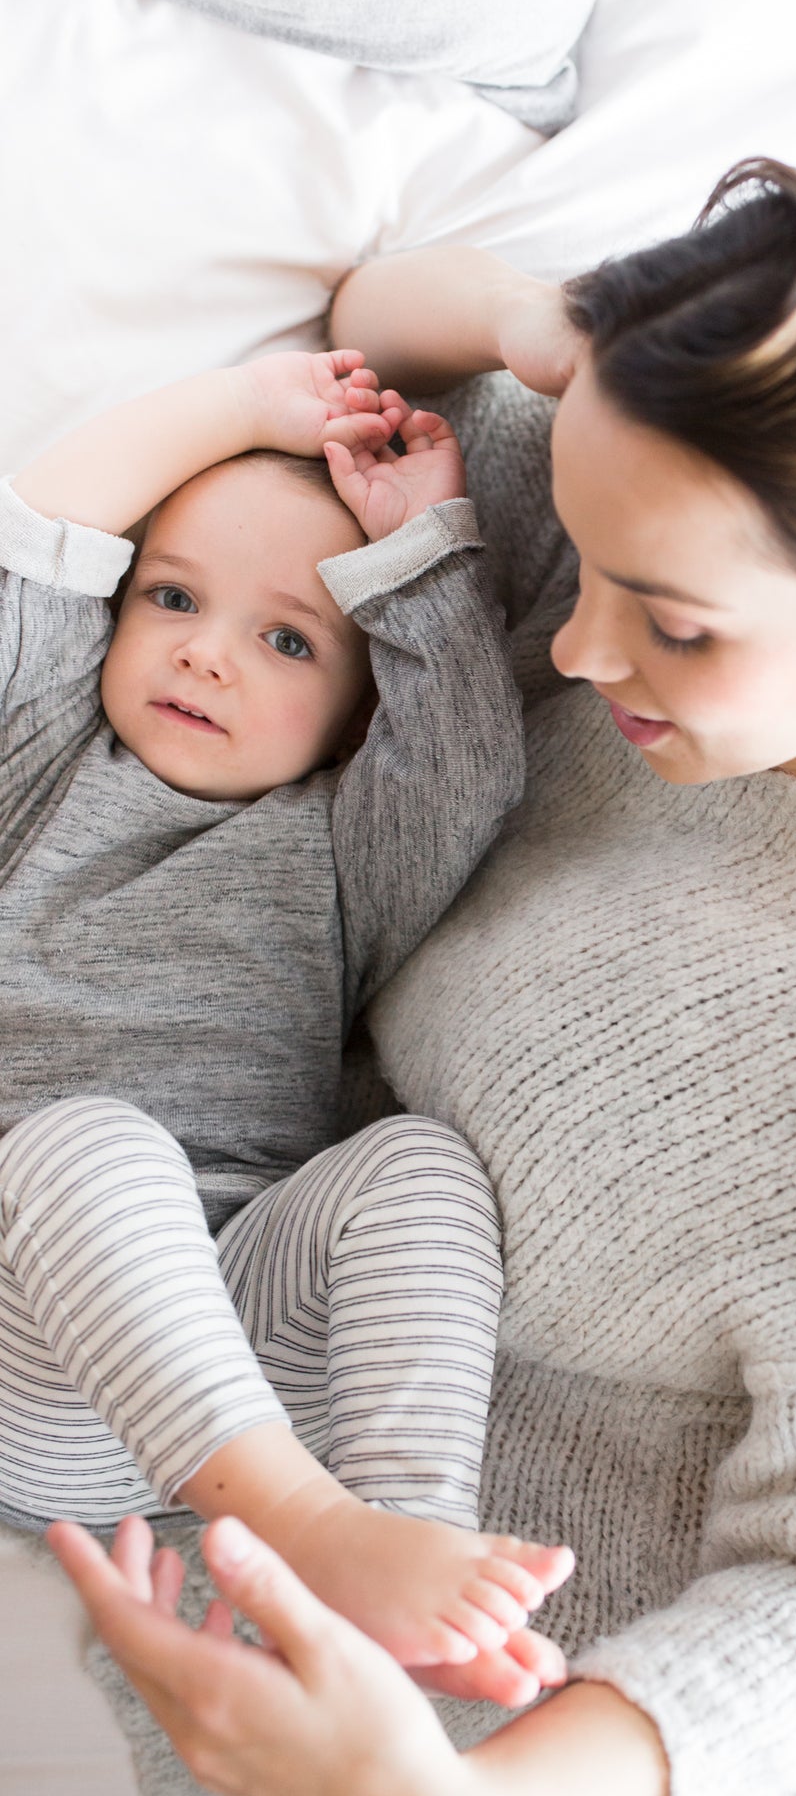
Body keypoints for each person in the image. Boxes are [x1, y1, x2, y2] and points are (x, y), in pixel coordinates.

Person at [51, 161, 796, 1796]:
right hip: (325, 1360)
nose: (574, 647)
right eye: (582, 544)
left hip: (614, 1697)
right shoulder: (640, 512)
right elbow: (384, 329)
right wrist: (535, 322)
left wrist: (450, 1789)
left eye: (677, 626)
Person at [0, 348, 574, 1709]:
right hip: (27, 1318)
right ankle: (305, 1532)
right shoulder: (38, 766)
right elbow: (40, 548)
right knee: (89, 1145)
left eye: (286, 639)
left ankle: (403, 1531)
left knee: (421, 1165)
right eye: (174, 597)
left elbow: (466, 755)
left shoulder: (344, 847)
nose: (203, 649)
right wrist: (246, 409)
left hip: (240, 1342)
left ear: (355, 709)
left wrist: (427, 545)